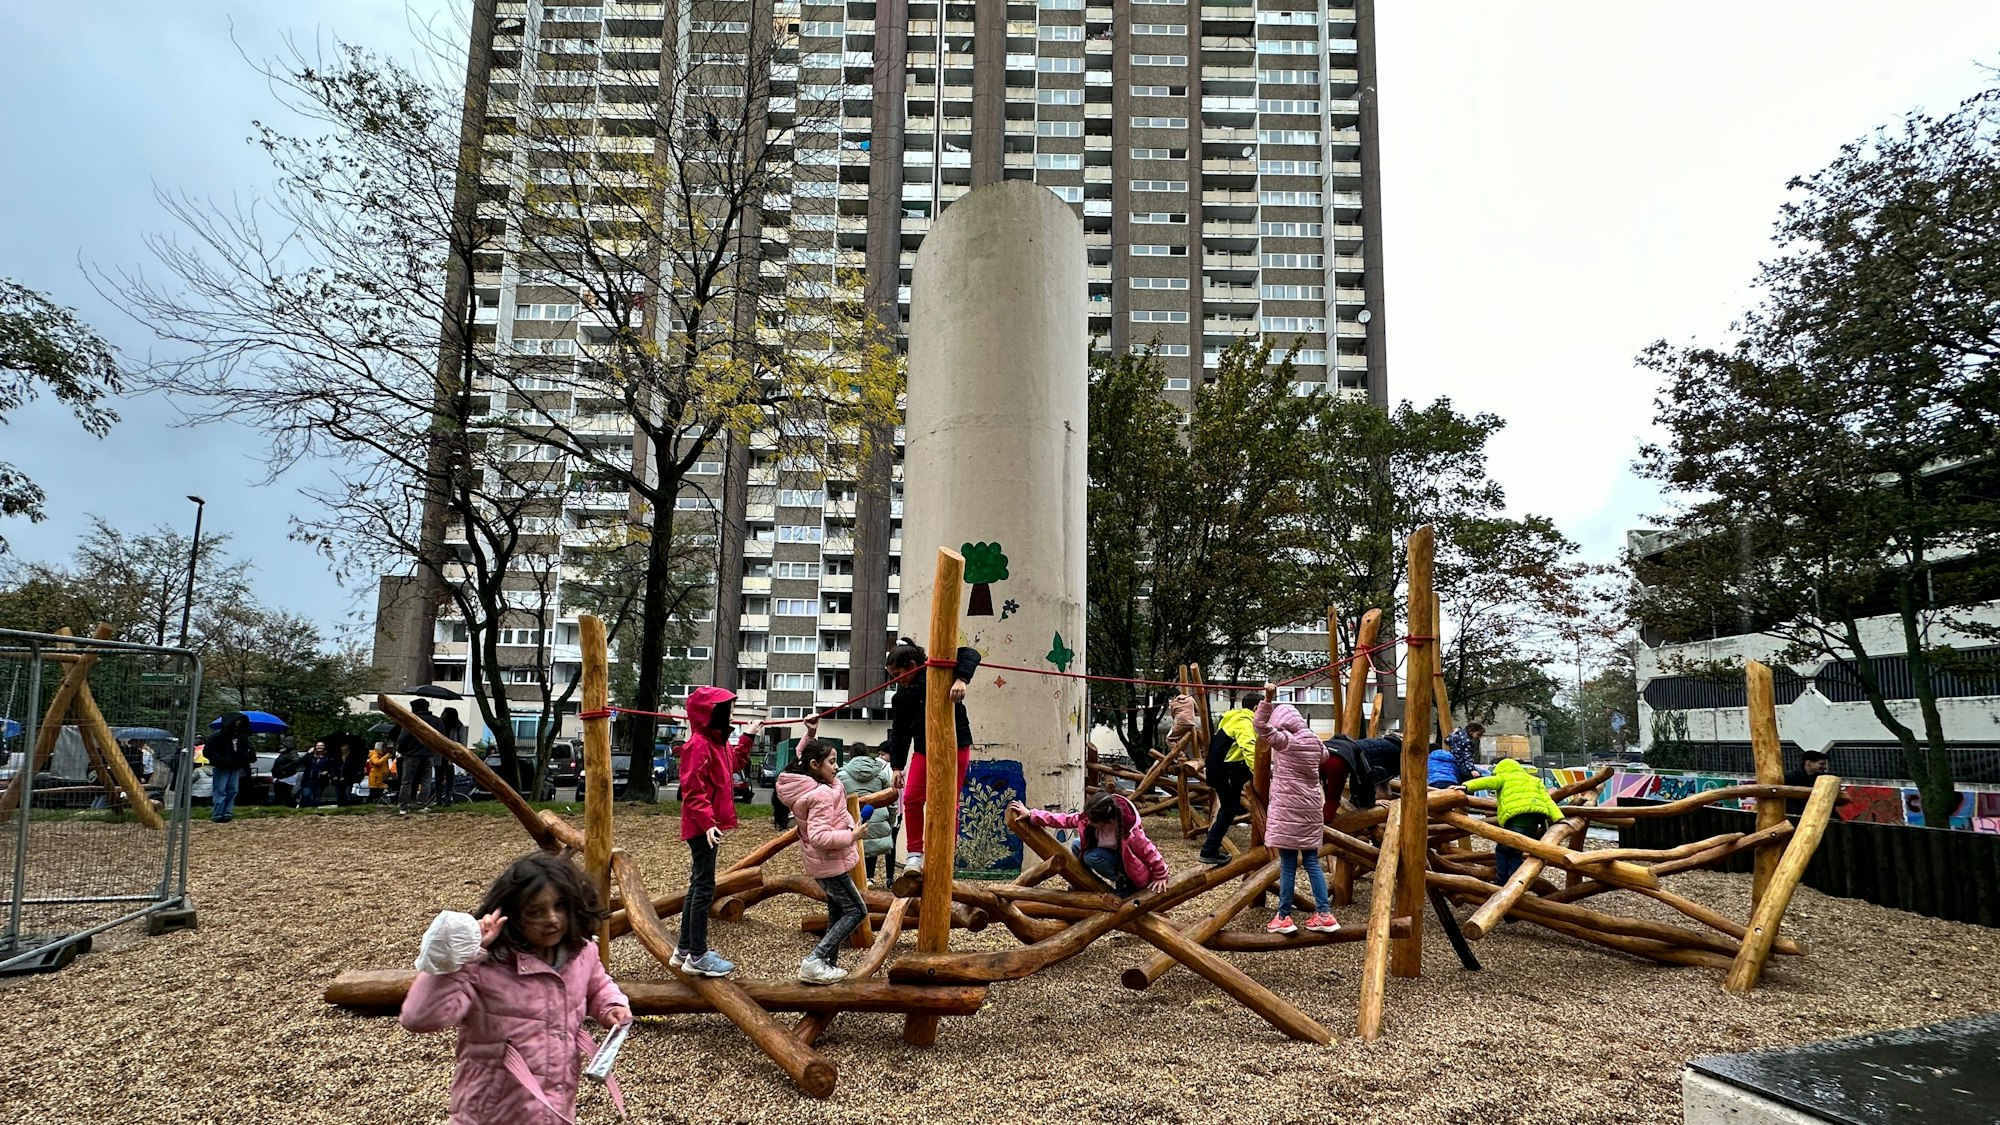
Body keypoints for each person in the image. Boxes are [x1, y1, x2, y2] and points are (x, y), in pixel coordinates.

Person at [400, 852, 632, 1123]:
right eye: (536, 912)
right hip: (489, 1112)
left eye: (560, 907)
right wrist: (463, 958)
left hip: (555, 1105)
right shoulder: (485, 965)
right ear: (510, 915)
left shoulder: (581, 952)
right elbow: (420, 1018)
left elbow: (597, 984)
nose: (552, 919)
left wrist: (611, 1006)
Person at [773, 732, 870, 984]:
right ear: (815, 766)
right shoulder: (820, 795)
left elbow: (797, 757)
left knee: (837, 914)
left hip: (824, 862)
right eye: (831, 762)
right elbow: (819, 836)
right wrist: (852, 835)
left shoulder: (800, 781)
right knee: (857, 911)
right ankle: (815, 960)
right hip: (830, 863)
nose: (837, 767)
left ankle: (827, 965)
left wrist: (809, 735)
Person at [883, 637, 980, 876]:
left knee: (948, 803)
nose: (897, 680)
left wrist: (961, 679)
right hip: (924, 750)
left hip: (956, 745)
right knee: (912, 799)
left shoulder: (940, 672)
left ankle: (945, 852)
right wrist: (897, 766)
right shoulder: (901, 697)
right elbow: (900, 733)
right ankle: (915, 854)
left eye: (899, 674)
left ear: (913, 664)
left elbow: (970, 653)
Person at [673, 686, 750, 977]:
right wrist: (707, 823)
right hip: (702, 827)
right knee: (704, 888)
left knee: (699, 885)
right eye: (726, 709)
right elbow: (693, 791)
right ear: (711, 714)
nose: (731, 714)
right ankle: (698, 955)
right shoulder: (698, 745)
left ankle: (684, 949)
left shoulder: (718, 743)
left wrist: (749, 736)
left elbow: (736, 763)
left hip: (709, 826)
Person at [1256, 695, 1340, 934]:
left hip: (1288, 811)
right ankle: (1324, 913)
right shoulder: (1315, 741)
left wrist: (1267, 700)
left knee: (1289, 864)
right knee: (1312, 862)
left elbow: (1261, 727)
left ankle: (1283, 916)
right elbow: (1324, 756)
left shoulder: (1286, 742)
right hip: (1311, 810)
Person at [1012, 791, 1168, 897]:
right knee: (1077, 844)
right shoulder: (1090, 818)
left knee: (1091, 856)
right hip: (1109, 854)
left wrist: (1160, 875)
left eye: (1093, 821)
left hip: (1125, 865)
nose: (1089, 823)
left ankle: (1123, 881)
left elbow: (1149, 851)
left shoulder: (1129, 830)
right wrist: (1032, 814)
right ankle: (1082, 880)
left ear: (1107, 821)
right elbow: (1063, 820)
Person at [1462, 758, 1566, 885]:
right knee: (1517, 852)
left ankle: (1502, 881)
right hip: (1533, 822)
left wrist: (1465, 786)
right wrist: (1559, 817)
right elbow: (1547, 800)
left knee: (1502, 851)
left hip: (1516, 821)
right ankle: (1515, 882)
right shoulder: (1534, 780)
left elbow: (1486, 781)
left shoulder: (1503, 777)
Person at [1196, 693, 1261, 866]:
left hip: (1225, 768)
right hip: (1225, 770)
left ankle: (1210, 849)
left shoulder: (1234, 719)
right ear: (1256, 708)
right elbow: (1248, 748)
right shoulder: (1244, 723)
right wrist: (1261, 775)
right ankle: (1209, 850)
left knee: (1230, 808)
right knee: (1229, 808)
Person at [837, 743, 898, 886]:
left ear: (851, 755)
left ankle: (854, 877)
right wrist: (891, 821)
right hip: (876, 817)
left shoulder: (841, 775)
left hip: (851, 817)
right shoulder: (880, 774)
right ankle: (869, 877)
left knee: (853, 845)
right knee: (871, 845)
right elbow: (891, 799)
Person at [396, 698, 446, 816]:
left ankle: (403, 806)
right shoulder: (437, 721)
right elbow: (441, 738)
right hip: (429, 754)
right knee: (426, 781)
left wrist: (401, 750)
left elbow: (403, 738)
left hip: (411, 755)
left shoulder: (412, 720)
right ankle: (422, 804)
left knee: (407, 781)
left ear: (414, 708)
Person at [206, 713, 255, 823]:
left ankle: (227, 812)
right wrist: (221, 760)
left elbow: (244, 751)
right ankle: (218, 813)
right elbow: (208, 752)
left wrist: (245, 757)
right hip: (222, 767)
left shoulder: (241, 738)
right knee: (221, 790)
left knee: (232, 790)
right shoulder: (217, 737)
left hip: (235, 767)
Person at [1782, 750, 1833, 815]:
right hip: (1796, 814)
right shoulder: (1790, 777)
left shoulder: (1825, 777)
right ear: (1808, 763)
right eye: (1821, 764)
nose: (1825, 767)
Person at [433, 706, 466, 806]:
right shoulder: (458, 726)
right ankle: (446, 799)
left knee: (440, 779)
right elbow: (462, 742)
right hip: (448, 757)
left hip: (446, 756)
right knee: (448, 779)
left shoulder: (441, 725)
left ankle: (441, 799)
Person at [296, 740, 332, 807]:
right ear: (315, 747)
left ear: (324, 747)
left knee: (317, 797)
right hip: (308, 779)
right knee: (306, 795)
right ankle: (303, 809)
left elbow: (331, 767)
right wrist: (308, 753)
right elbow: (301, 762)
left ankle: (314, 811)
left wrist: (327, 772)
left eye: (321, 745)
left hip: (321, 780)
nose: (319, 747)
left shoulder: (327, 757)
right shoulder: (310, 756)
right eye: (318, 745)